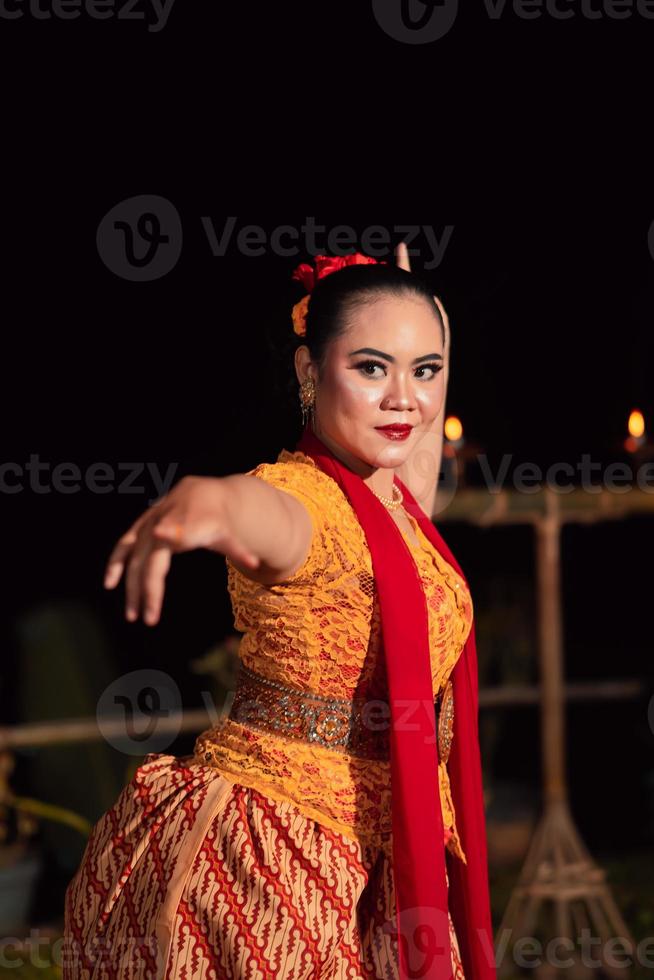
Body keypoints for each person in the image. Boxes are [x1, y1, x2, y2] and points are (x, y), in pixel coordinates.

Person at [62, 245, 496, 979]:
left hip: (390, 849)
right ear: (308, 371)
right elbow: (254, 512)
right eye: (371, 367)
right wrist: (205, 502)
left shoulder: (395, 497)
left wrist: (428, 319)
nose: (406, 399)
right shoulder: (306, 503)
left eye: (423, 370)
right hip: (279, 850)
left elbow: (420, 419)